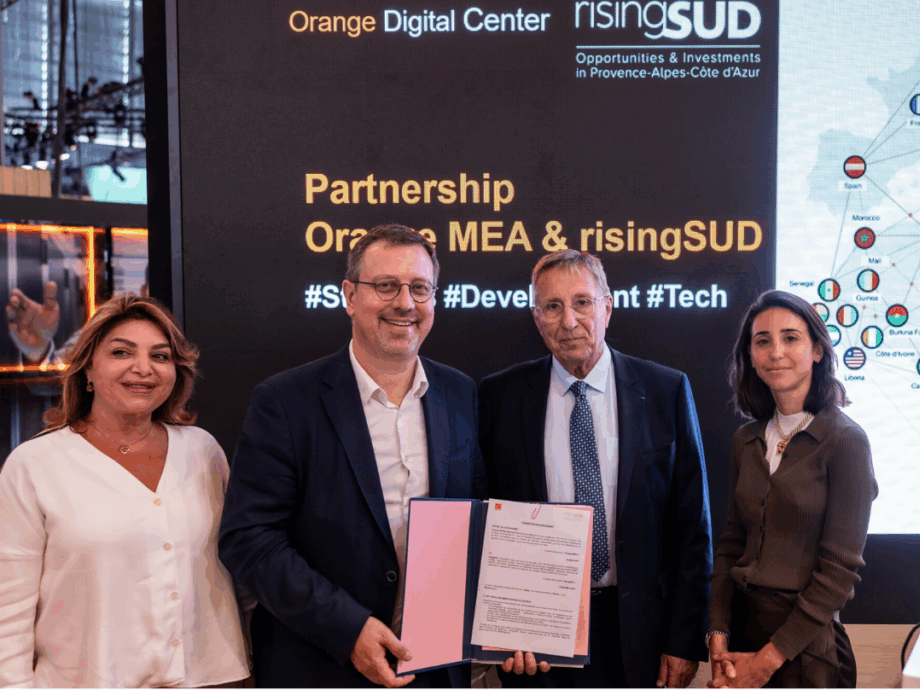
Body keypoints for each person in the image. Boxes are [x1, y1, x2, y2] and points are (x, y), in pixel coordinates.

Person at [218, 224, 487, 688]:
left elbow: (477, 517)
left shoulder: (459, 393)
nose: (405, 303)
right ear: (349, 295)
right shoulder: (286, 401)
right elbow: (249, 539)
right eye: (386, 286)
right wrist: (348, 629)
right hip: (323, 665)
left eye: (420, 288)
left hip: (435, 669)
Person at [479, 249, 712, 688]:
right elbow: (486, 518)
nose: (569, 321)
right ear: (537, 318)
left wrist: (684, 640)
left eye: (582, 302)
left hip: (643, 633)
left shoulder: (665, 390)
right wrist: (503, 631)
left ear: (607, 307)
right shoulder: (500, 397)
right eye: (553, 306)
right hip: (537, 637)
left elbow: (692, 530)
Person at [0, 293, 250, 687]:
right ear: (87, 368)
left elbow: (240, 574)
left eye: (160, 356)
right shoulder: (33, 465)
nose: (143, 369)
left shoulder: (203, 450)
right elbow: (8, 612)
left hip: (213, 679)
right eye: (121, 352)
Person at [707, 290, 877, 688]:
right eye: (762, 341)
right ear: (750, 356)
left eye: (790, 338)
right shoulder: (745, 440)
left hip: (805, 649)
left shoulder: (846, 441)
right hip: (742, 635)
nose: (776, 352)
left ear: (817, 350)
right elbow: (731, 545)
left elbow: (839, 573)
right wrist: (717, 631)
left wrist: (767, 662)